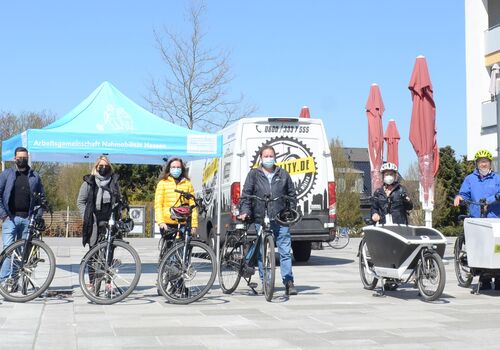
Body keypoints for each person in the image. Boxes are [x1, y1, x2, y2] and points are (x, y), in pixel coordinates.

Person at [238, 145, 298, 296]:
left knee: (285, 251)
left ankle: (288, 281)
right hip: (260, 217)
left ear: (275, 157)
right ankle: (265, 281)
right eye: (266, 156)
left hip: (280, 218)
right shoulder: (254, 174)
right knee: (262, 251)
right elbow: (246, 194)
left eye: (271, 156)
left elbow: (292, 194)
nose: (269, 158)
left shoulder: (283, 174)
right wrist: (245, 211)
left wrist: (290, 211)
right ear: (261, 158)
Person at [454, 149, 500, 290]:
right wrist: (459, 197)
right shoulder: (470, 179)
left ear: (490, 163)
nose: (483, 164)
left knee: (496, 248)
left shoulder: (497, 178)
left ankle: (498, 276)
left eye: (485, 161)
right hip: (477, 218)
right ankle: (484, 277)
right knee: (480, 247)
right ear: (477, 164)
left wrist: (490, 200)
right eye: (480, 162)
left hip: (495, 218)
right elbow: (464, 194)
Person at [0, 147, 46, 282]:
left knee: (21, 252)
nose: (22, 160)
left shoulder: (34, 176)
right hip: (10, 218)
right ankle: (3, 281)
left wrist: (38, 216)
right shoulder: (6, 174)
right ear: (15, 158)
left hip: (27, 219)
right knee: (8, 251)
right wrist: (3, 215)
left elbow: (41, 198)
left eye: (25, 158)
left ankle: (13, 281)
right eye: (20, 158)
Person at [77, 156, 121, 291]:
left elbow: (119, 200)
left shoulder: (114, 182)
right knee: (93, 252)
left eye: (105, 166)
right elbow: (80, 201)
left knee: (109, 252)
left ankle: (108, 281)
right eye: (100, 165)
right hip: (94, 222)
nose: (103, 168)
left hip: (110, 221)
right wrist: (87, 216)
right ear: (96, 167)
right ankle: (92, 280)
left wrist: (118, 216)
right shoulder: (89, 182)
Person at [154, 157, 198, 238]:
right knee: (169, 248)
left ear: (182, 169)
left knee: (184, 248)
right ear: (169, 169)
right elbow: (158, 205)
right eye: (173, 167)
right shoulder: (162, 183)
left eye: (178, 167)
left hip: (184, 223)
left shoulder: (187, 184)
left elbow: (193, 206)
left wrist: (194, 225)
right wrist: (161, 222)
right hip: (167, 222)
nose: (176, 169)